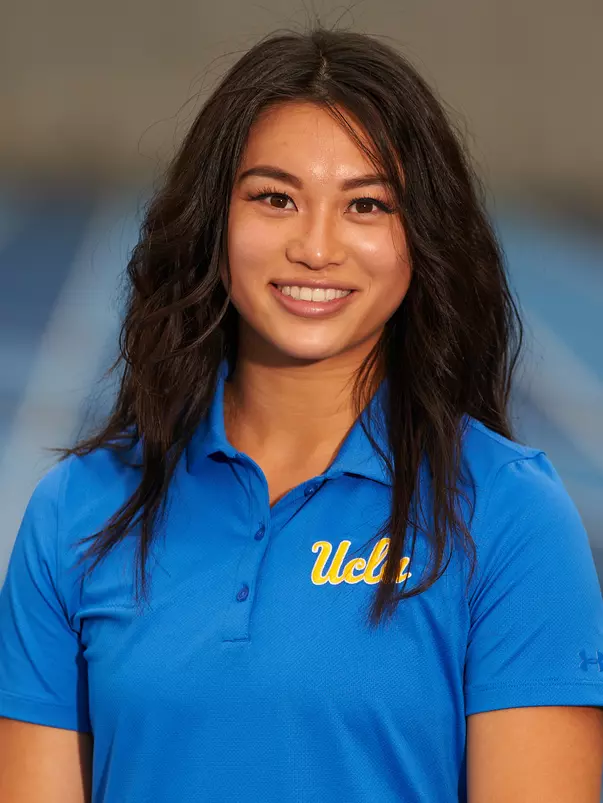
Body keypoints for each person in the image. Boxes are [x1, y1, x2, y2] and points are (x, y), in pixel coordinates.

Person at [1, 23, 603, 803]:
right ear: (215, 220)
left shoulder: (506, 514)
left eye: (366, 204)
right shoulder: (79, 511)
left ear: (420, 237)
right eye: (274, 197)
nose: (316, 247)